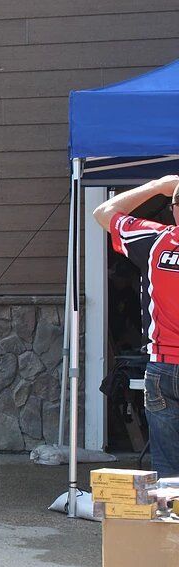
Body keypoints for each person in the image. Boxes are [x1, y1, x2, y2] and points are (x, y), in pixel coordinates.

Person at [93, 174, 179, 476]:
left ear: (173, 209)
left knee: (168, 471)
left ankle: (171, 522)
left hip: (163, 368)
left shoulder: (156, 240)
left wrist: (157, 186)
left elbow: (103, 212)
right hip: (162, 368)